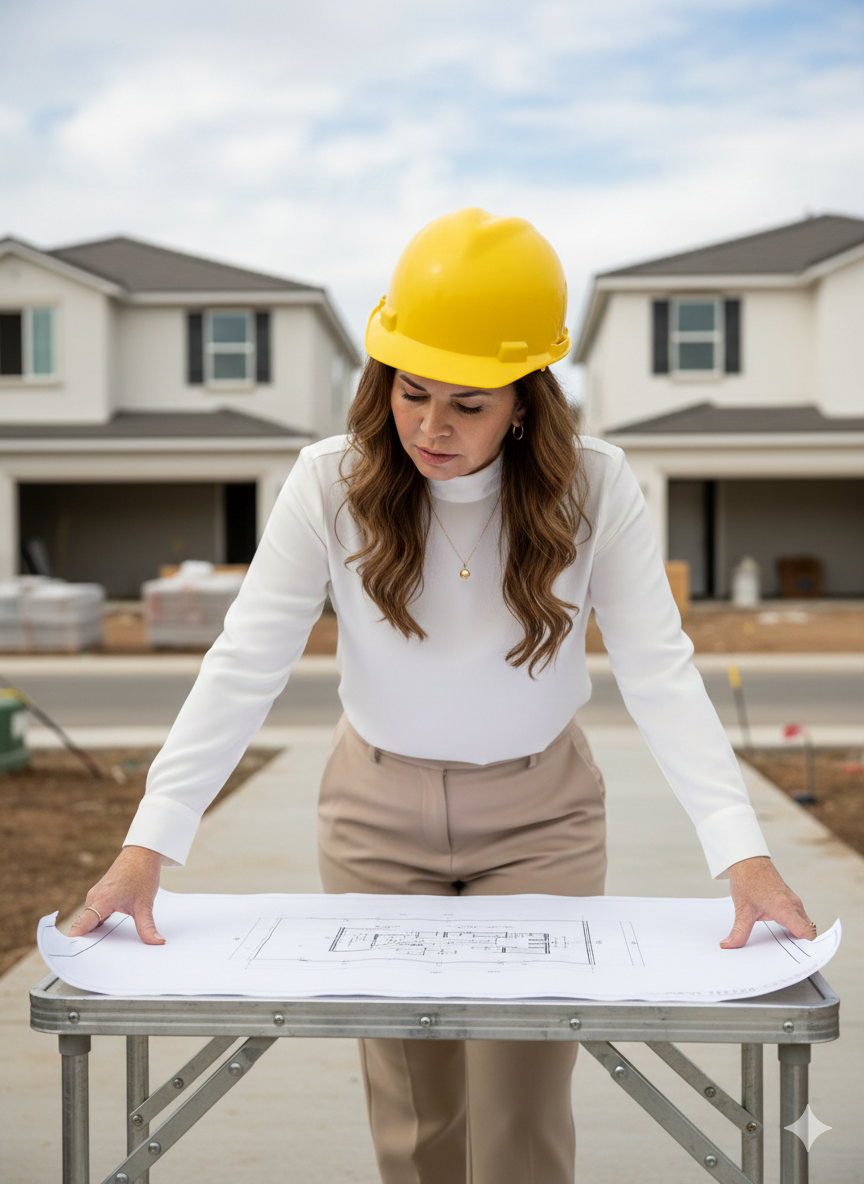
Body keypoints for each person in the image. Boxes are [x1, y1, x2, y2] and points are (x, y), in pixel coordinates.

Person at [70, 207, 816, 1184]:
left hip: (542, 817)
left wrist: (743, 853)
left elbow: (660, 669)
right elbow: (243, 661)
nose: (431, 426)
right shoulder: (325, 484)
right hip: (375, 816)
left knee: (521, 1117)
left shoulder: (596, 488)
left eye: (468, 403)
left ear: (525, 398)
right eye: (411, 393)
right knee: (417, 1119)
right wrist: (146, 845)